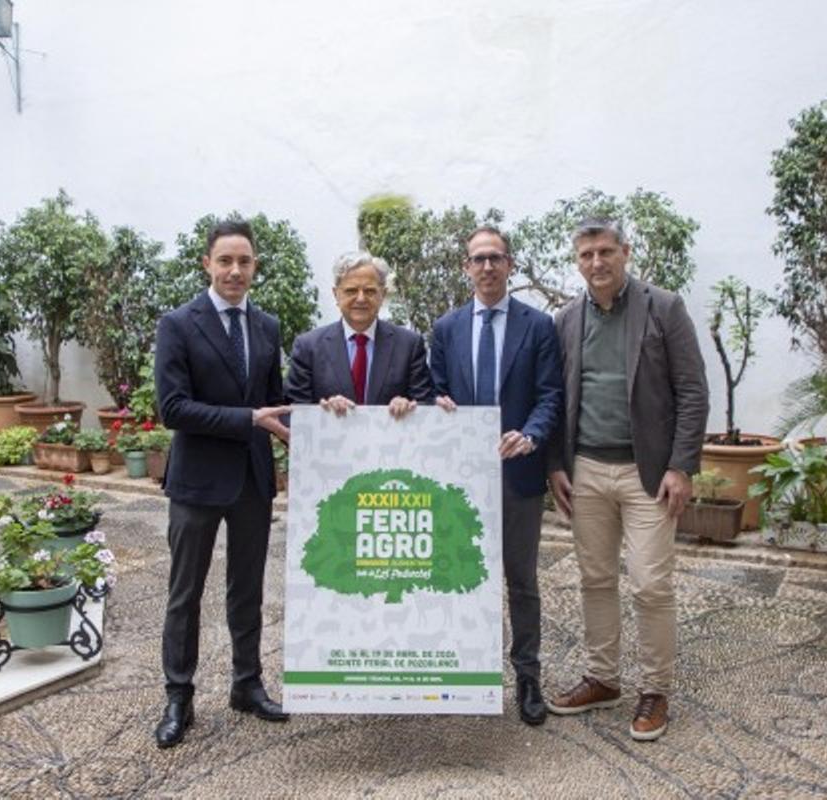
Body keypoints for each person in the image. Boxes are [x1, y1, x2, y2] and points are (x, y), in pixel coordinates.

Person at [546, 217, 708, 742]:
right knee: (594, 578)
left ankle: (655, 688)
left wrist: (682, 466)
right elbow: (554, 397)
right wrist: (555, 466)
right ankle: (602, 677)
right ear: (577, 261)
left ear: (626, 252)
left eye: (606, 252)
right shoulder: (566, 319)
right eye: (587, 254)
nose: (597, 263)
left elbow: (692, 391)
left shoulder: (664, 308)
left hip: (650, 474)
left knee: (650, 583)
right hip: (587, 469)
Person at [153, 219, 291, 748]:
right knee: (184, 593)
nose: (236, 271)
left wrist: (322, 426)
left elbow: (275, 400)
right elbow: (173, 408)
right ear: (207, 263)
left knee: (247, 590)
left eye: (245, 261)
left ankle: (247, 684)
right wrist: (248, 420)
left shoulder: (268, 327)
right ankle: (178, 697)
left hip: (253, 480)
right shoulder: (178, 325)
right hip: (196, 483)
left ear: (255, 266)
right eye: (226, 261)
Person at [429, 226, 562, 725]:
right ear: (466, 267)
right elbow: (434, 390)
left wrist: (530, 433)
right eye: (478, 259)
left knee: (521, 580)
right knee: (460, 577)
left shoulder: (538, 326)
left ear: (510, 266)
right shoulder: (446, 329)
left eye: (496, 258)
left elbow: (551, 395)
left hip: (518, 475)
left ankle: (527, 677)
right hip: (460, 479)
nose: (487, 267)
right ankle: (464, 674)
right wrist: (435, 404)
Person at [285, 251, 433, 415]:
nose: (361, 298)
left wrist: (409, 407)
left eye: (369, 291)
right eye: (351, 291)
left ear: (382, 294)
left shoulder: (409, 346)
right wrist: (324, 412)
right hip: (332, 440)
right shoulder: (308, 347)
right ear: (336, 294)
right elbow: (294, 413)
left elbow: (426, 406)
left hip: (390, 440)